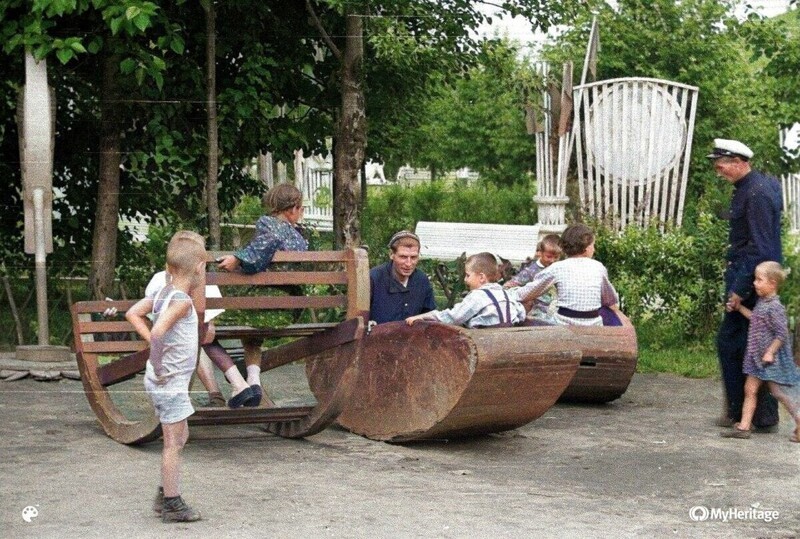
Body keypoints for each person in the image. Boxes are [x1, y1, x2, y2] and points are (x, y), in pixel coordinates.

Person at [125, 231, 207, 523]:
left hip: (164, 382)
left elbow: (133, 313)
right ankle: (171, 502)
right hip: (168, 383)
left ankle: (166, 491)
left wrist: (151, 343)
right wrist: (157, 358)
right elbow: (159, 332)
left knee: (180, 435)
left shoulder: (161, 293)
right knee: (173, 442)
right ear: (199, 268)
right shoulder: (182, 301)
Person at [707, 138, 782, 431]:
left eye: (722, 165)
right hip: (753, 278)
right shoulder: (754, 188)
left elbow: (761, 249)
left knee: (735, 345)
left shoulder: (756, 193)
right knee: (744, 347)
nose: (719, 171)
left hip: (753, 281)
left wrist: (740, 289)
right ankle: (754, 416)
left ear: (739, 162)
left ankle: (751, 416)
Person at [217, 183, 308, 406]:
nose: (302, 212)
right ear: (292, 209)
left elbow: (259, 251)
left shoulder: (270, 226)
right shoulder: (300, 238)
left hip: (264, 310)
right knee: (252, 337)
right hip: (288, 312)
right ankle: (254, 382)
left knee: (206, 326)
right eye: (302, 208)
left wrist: (237, 258)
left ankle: (237, 382)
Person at [143, 230, 256, 409]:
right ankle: (235, 385)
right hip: (186, 338)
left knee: (198, 339)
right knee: (199, 339)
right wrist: (208, 323)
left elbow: (152, 317)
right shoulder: (203, 280)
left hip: (182, 338)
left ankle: (222, 392)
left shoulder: (159, 280)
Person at [721, 262, 800, 442]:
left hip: (770, 361)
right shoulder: (762, 303)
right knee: (749, 389)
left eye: (759, 280)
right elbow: (755, 319)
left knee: (780, 393)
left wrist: (770, 352)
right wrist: (739, 307)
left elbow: (782, 334)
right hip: (756, 360)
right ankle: (744, 426)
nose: (754, 283)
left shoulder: (775, 307)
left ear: (772, 283)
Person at [513, 223, 621, 326]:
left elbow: (528, 292)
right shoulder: (598, 267)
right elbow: (610, 299)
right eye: (593, 245)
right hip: (593, 324)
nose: (594, 249)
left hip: (564, 324)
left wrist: (508, 294)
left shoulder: (557, 268)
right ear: (587, 248)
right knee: (608, 311)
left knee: (538, 316)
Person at [406, 252, 525, 328]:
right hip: (507, 338)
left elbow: (454, 317)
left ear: (482, 277)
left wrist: (424, 316)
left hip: (484, 342)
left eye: (468, 275)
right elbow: (521, 313)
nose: (465, 280)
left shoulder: (478, 296)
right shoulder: (505, 293)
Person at [369, 230, 436, 324]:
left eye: (413, 257)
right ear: (391, 254)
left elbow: (430, 316)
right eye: (403, 257)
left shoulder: (422, 280)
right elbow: (357, 319)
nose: (409, 263)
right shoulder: (374, 278)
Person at [504, 234, 562, 323]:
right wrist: (526, 299)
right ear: (541, 253)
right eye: (549, 256)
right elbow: (507, 286)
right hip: (537, 315)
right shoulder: (531, 271)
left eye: (556, 257)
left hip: (556, 315)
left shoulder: (560, 269)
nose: (552, 261)